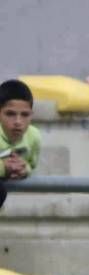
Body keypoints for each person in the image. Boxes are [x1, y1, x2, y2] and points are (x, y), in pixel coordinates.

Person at [0, 79, 41, 209]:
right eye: (10, 114)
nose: (18, 121)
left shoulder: (34, 136)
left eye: (25, 115)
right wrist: (4, 168)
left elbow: (31, 165)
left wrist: (24, 169)